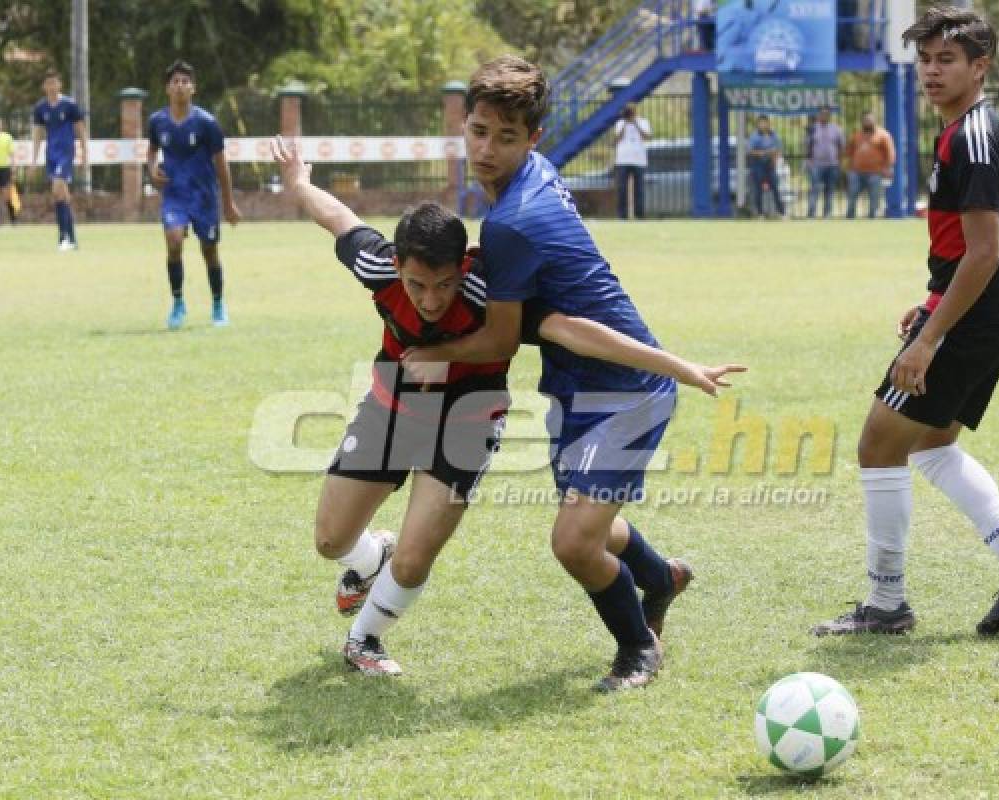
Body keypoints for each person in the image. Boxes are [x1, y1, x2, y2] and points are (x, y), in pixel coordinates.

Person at [271, 136, 741, 677]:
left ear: (463, 266)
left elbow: (574, 330)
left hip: (469, 420)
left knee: (416, 556)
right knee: (331, 540)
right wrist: (298, 184)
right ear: (396, 263)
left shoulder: (490, 290)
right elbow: (337, 217)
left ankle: (364, 641)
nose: (430, 299)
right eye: (417, 284)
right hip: (393, 407)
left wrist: (678, 366)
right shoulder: (376, 265)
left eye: (444, 284)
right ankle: (367, 559)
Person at [402, 56, 710, 693]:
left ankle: (638, 649)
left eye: (507, 137)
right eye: (480, 130)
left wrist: (435, 353)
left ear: (533, 140)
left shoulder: (513, 222)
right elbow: (553, 323)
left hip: (624, 389)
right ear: (465, 123)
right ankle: (662, 578)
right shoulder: (531, 179)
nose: (487, 149)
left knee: (573, 542)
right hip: (577, 385)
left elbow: (502, 337)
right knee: (591, 524)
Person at [812, 5, 999, 638]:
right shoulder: (968, 129)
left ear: (980, 66)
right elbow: (971, 250)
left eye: (946, 59)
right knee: (931, 444)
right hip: (987, 315)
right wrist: (931, 300)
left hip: (972, 323)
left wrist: (928, 338)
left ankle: (886, 604)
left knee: (878, 443)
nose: (931, 70)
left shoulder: (972, 136)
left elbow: (986, 251)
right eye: (924, 59)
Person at [146, 60, 241, 329]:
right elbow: (152, 151)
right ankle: (178, 303)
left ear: (193, 88)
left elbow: (221, 165)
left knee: (209, 251)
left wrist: (229, 203)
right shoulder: (157, 122)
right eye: (175, 81)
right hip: (174, 194)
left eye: (185, 82)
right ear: (167, 88)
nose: (180, 86)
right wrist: (152, 169)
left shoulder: (206, 123)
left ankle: (218, 304)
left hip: (203, 197)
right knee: (174, 241)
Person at [31, 69, 87, 251]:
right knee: (60, 195)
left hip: (66, 153)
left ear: (60, 85)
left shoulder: (69, 105)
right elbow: (38, 134)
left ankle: (64, 238)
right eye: (49, 83)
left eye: (55, 83)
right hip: (51, 154)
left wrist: (84, 153)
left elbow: (81, 130)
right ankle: (70, 239)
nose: (52, 87)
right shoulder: (40, 108)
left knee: (58, 188)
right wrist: (34, 159)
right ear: (43, 87)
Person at [845, 111, 895, 219]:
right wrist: (849, 168)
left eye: (870, 120)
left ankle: (872, 217)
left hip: (875, 173)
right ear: (862, 122)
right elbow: (849, 152)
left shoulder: (883, 135)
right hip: (856, 172)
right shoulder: (856, 135)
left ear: (874, 121)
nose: (868, 122)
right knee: (852, 193)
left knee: (874, 196)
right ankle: (849, 216)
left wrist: (887, 168)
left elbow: (890, 154)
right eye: (866, 120)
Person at [614, 103, 652, 220]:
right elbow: (617, 138)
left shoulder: (643, 122)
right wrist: (626, 123)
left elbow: (647, 136)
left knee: (639, 188)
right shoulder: (620, 123)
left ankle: (639, 214)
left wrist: (635, 123)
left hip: (638, 159)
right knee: (622, 188)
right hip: (623, 159)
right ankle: (622, 215)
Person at [807, 106, 843, 218]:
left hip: (832, 165)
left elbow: (841, 146)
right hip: (816, 165)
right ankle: (811, 214)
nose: (824, 116)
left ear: (829, 115)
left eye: (826, 114)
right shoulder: (812, 129)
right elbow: (807, 146)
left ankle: (827, 214)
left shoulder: (836, 129)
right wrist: (809, 161)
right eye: (822, 113)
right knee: (814, 189)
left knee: (830, 190)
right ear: (818, 115)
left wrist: (839, 162)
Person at [747, 115, 785, 218]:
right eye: (761, 123)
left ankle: (781, 212)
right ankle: (760, 213)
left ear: (768, 123)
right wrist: (763, 153)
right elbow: (750, 151)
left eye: (765, 123)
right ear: (758, 124)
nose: (763, 125)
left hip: (770, 165)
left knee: (775, 189)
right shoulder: (754, 136)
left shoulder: (774, 135)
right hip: (758, 165)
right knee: (758, 190)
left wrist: (775, 159)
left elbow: (779, 149)